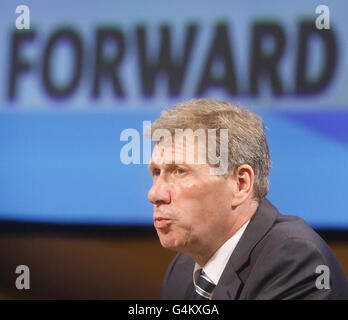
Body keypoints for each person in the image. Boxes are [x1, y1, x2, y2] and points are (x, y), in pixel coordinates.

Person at [147, 98, 348, 300]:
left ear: (240, 184)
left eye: (180, 171)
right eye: (156, 172)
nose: (155, 194)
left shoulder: (295, 261)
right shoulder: (181, 272)